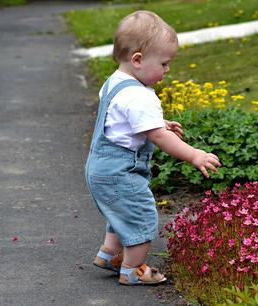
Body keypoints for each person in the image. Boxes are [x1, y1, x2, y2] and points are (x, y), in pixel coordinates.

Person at [84, 10, 221, 286]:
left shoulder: (115, 83)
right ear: (138, 60)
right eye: (164, 63)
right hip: (121, 171)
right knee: (141, 216)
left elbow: (124, 120)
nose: (167, 70)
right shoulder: (139, 96)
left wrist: (159, 123)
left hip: (99, 168)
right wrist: (194, 154)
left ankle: (110, 253)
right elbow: (157, 137)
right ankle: (133, 270)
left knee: (121, 212)